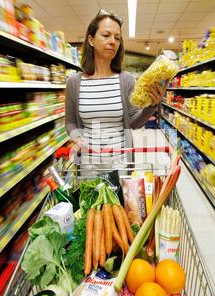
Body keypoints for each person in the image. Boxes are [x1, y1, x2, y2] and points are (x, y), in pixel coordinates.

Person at [65, 9, 167, 174]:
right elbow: (70, 121)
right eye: (106, 35)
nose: (113, 41)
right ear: (91, 40)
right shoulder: (74, 82)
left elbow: (134, 122)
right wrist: (77, 138)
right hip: (87, 166)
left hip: (119, 165)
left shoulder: (126, 80)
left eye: (117, 38)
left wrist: (152, 106)